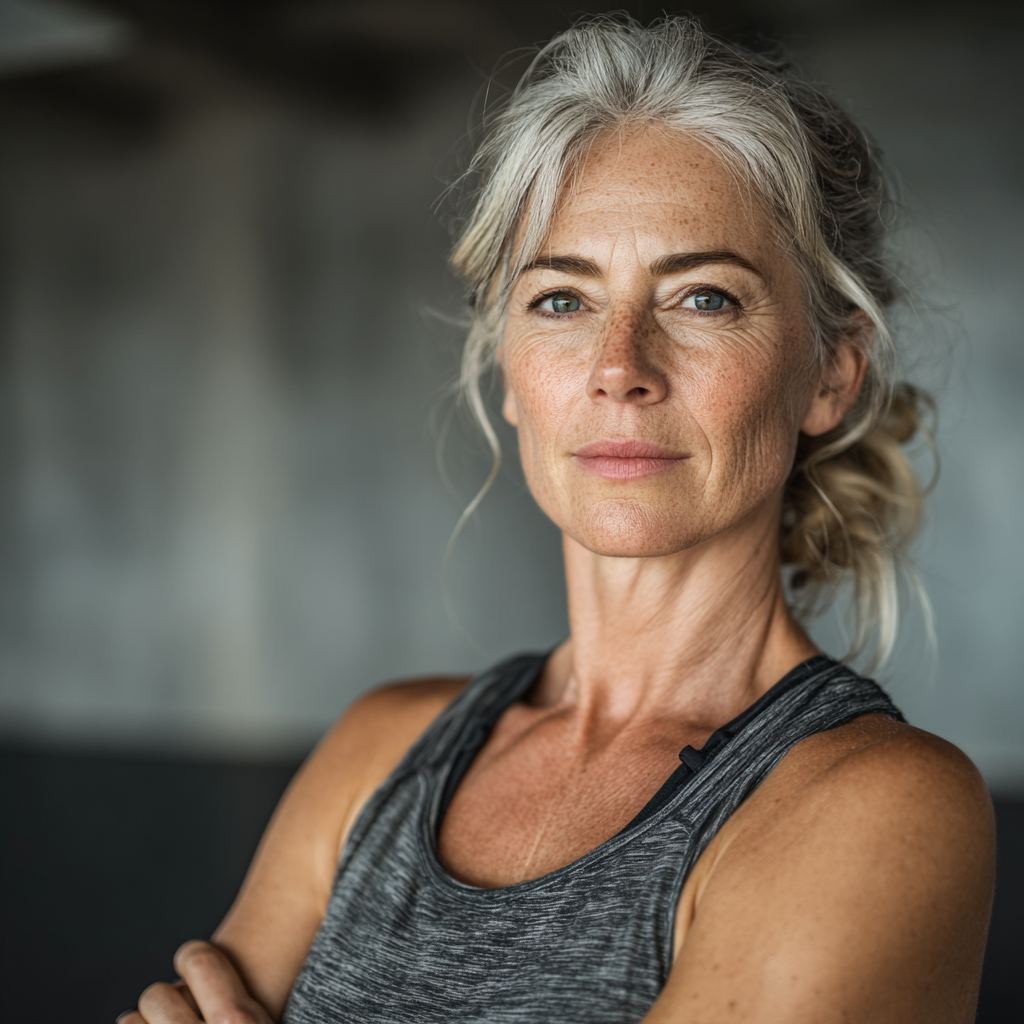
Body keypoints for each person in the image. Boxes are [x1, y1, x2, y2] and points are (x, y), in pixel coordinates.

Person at [122, 16, 994, 1024]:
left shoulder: (874, 806)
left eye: (704, 298)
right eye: (560, 301)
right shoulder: (378, 750)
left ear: (830, 375)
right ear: (506, 371)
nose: (618, 365)